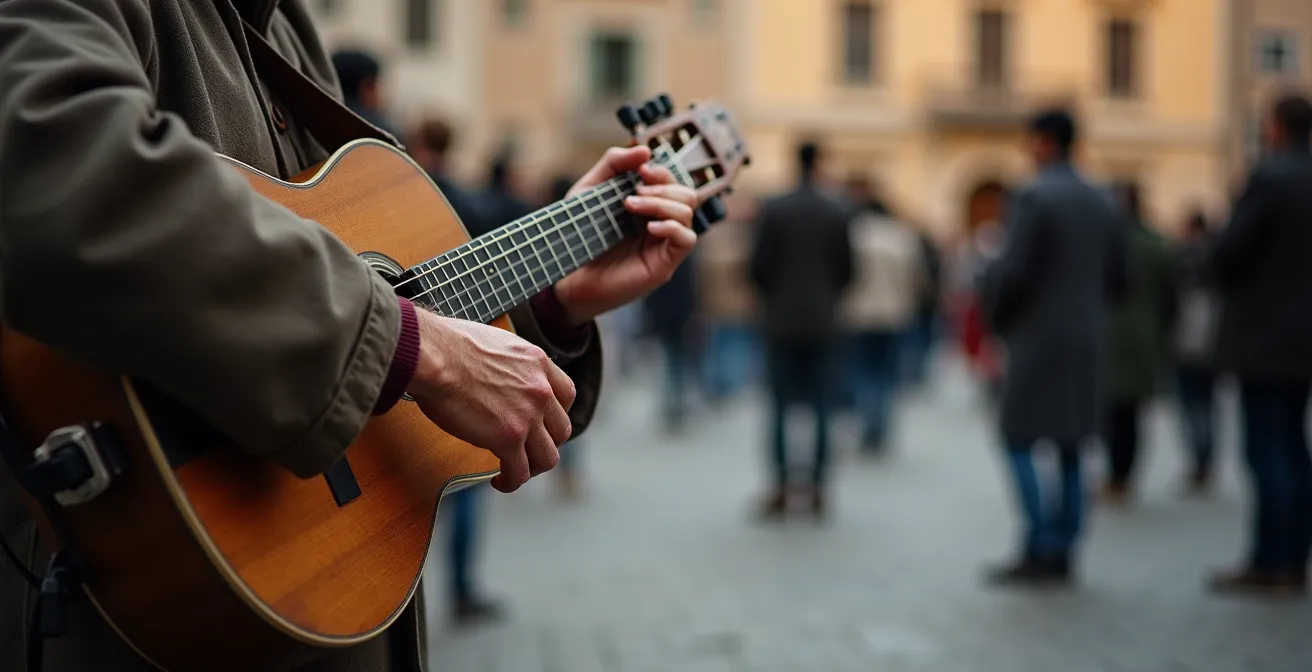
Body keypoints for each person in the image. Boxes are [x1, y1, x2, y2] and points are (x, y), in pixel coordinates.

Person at [0, 3, 699, 671]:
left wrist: (547, 300)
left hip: (307, 602)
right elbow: (46, 160)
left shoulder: (279, 24)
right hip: (122, 608)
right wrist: (404, 346)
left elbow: (373, 283)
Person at [979, 109, 1125, 586]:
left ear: (1041, 142)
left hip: (1038, 336)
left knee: (1017, 437)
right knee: (1072, 445)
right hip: (1087, 334)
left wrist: (996, 321)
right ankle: (1066, 544)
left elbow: (1014, 271)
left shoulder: (1033, 195)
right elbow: (1121, 277)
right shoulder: (1103, 198)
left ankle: (1039, 543)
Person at [1206, 93, 1312, 597]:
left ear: (1275, 128)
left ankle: (1271, 559)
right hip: (1302, 338)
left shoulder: (1271, 179)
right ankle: (1294, 556)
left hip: (1266, 336)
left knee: (1267, 450)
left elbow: (1228, 253)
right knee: (1294, 445)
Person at [406, 117, 506, 625]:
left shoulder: (396, 183)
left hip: (410, 369)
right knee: (464, 481)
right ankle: (462, 590)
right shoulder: (458, 198)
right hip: (450, 366)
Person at [749, 141, 856, 519]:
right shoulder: (837, 209)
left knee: (779, 406)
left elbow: (757, 266)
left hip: (780, 320)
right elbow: (848, 270)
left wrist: (775, 296)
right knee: (823, 407)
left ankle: (780, 486)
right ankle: (818, 487)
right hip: (824, 322)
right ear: (821, 162)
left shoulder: (774, 208)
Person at [1100, 182, 1179, 505]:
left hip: (1107, 336)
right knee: (1132, 414)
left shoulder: (1106, 244)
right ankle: (1125, 477)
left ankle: (1115, 476)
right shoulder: (1157, 244)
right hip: (1144, 337)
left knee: (1110, 413)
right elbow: (1171, 298)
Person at [839, 175, 925, 455]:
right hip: (894, 315)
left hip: (859, 314)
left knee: (862, 373)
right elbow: (917, 279)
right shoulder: (902, 237)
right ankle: (880, 429)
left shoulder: (854, 235)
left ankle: (867, 426)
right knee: (886, 376)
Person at [1172, 209, 1223, 494]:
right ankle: (1206, 460)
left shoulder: (1185, 258)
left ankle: (1199, 460)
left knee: (1192, 404)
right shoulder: (1217, 257)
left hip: (1188, 342)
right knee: (1207, 404)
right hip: (1212, 344)